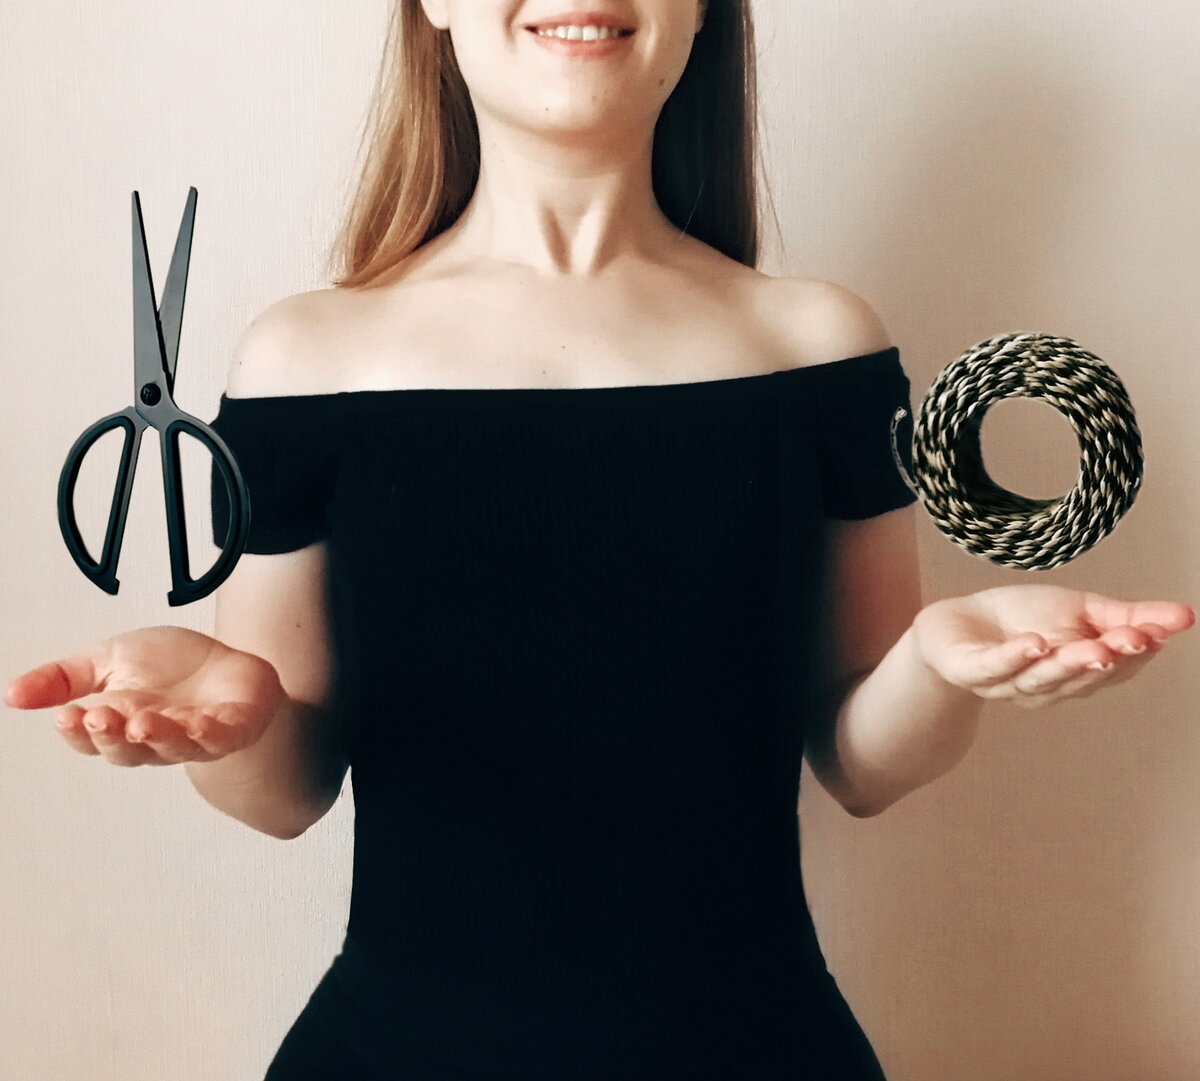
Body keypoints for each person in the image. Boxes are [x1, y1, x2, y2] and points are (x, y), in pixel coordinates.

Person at [6, 1, 1194, 1078]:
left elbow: (862, 763)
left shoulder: (820, 345)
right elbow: (282, 795)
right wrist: (232, 709)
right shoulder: (303, 358)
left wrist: (940, 659)